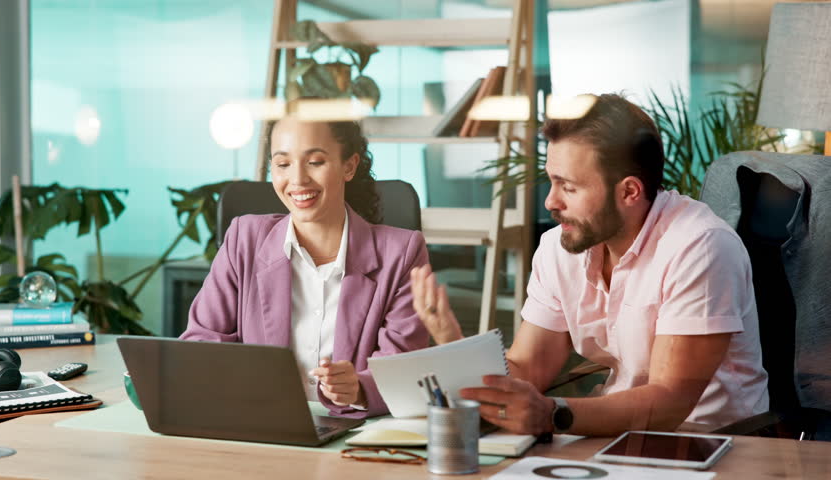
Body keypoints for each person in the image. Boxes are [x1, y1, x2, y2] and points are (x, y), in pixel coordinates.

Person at [411, 94, 769, 436]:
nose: (551, 201)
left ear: (629, 192)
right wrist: (452, 342)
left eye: (568, 187)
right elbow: (527, 371)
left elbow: (669, 402)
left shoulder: (699, 246)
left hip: (712, 444)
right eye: (551, 182)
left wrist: (552, 414)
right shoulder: (559, 248)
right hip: (615, 438)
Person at [180, 111, 430, 418]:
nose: (297, 179)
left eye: (315, 161)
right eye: (283, 164)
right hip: (258, 425)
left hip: (354, 436)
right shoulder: (244, 239)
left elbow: (405, 363)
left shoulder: (402, 252)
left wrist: (360, 388)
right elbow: (202, 342)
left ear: (349, 166)